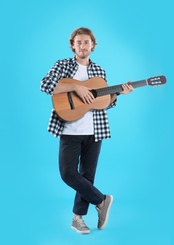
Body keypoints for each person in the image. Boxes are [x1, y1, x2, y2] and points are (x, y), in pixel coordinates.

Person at [40, 27, 133, 234]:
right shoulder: (62, 65)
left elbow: (103, 103)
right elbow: (45, 85)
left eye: (87, 42)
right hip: (69, 129)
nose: (83, 46)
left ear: (93, 45)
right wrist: (76, 87)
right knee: (68, 174)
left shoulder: (99, 71)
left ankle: (78, 218)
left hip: (94, 131)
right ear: (73, 45)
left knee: (87, 176)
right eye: (79, 42)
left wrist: (118, 94)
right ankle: (101, 200)